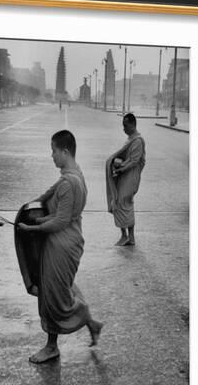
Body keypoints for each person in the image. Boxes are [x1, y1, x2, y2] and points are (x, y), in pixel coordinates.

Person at [18, 130, 102, 363]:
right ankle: (92, 324)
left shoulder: (69, 182)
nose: (51, 155)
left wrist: (31, 228)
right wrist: (30, 209)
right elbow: (49, 195)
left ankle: (53, 346)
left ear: (65, 151)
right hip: (68, 240)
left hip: (61, 245)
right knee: (58, 289)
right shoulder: (74, 174)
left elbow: (60, 221)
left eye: (54, 150)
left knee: (53, 297)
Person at [105, 113, 146, 246]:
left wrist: (120, 168)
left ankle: (128, 236)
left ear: (133, 124)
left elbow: (134, 161)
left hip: (131, 177)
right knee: (119, 201)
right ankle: (127, 236)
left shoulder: (138, 141)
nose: (124, 128)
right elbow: (127, 158)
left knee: (123, 202)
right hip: (125, 175)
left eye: (126, 125)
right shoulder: (130, 139)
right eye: (123, 126)